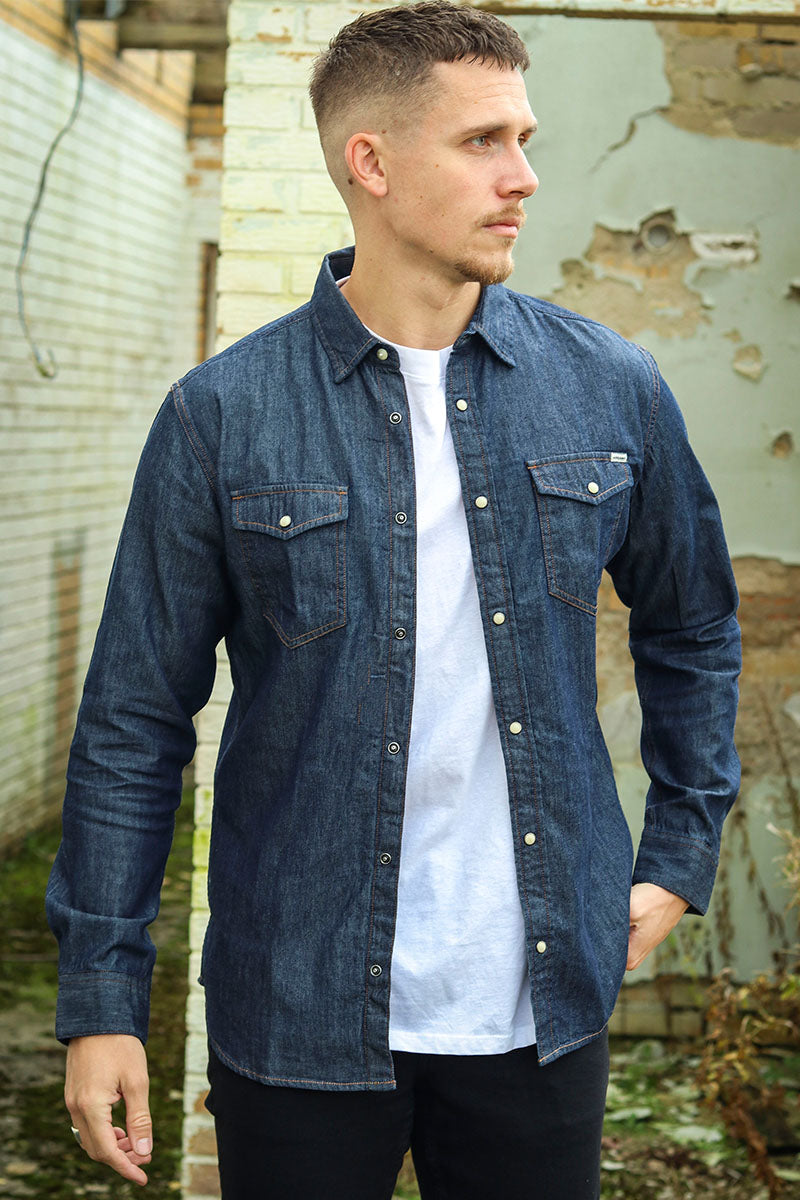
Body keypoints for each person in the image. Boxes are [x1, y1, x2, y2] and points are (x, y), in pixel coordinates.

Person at [46, 3, 742, 1198]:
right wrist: (102, 1002)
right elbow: (131, 723)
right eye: (481, 142)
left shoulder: (607, 387)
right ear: (369, 163)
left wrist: (678, 849)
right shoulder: (223, 415)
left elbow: (693, 627)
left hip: (537, 1009)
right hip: (298, 1002)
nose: (521, 176)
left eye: (523, 140)